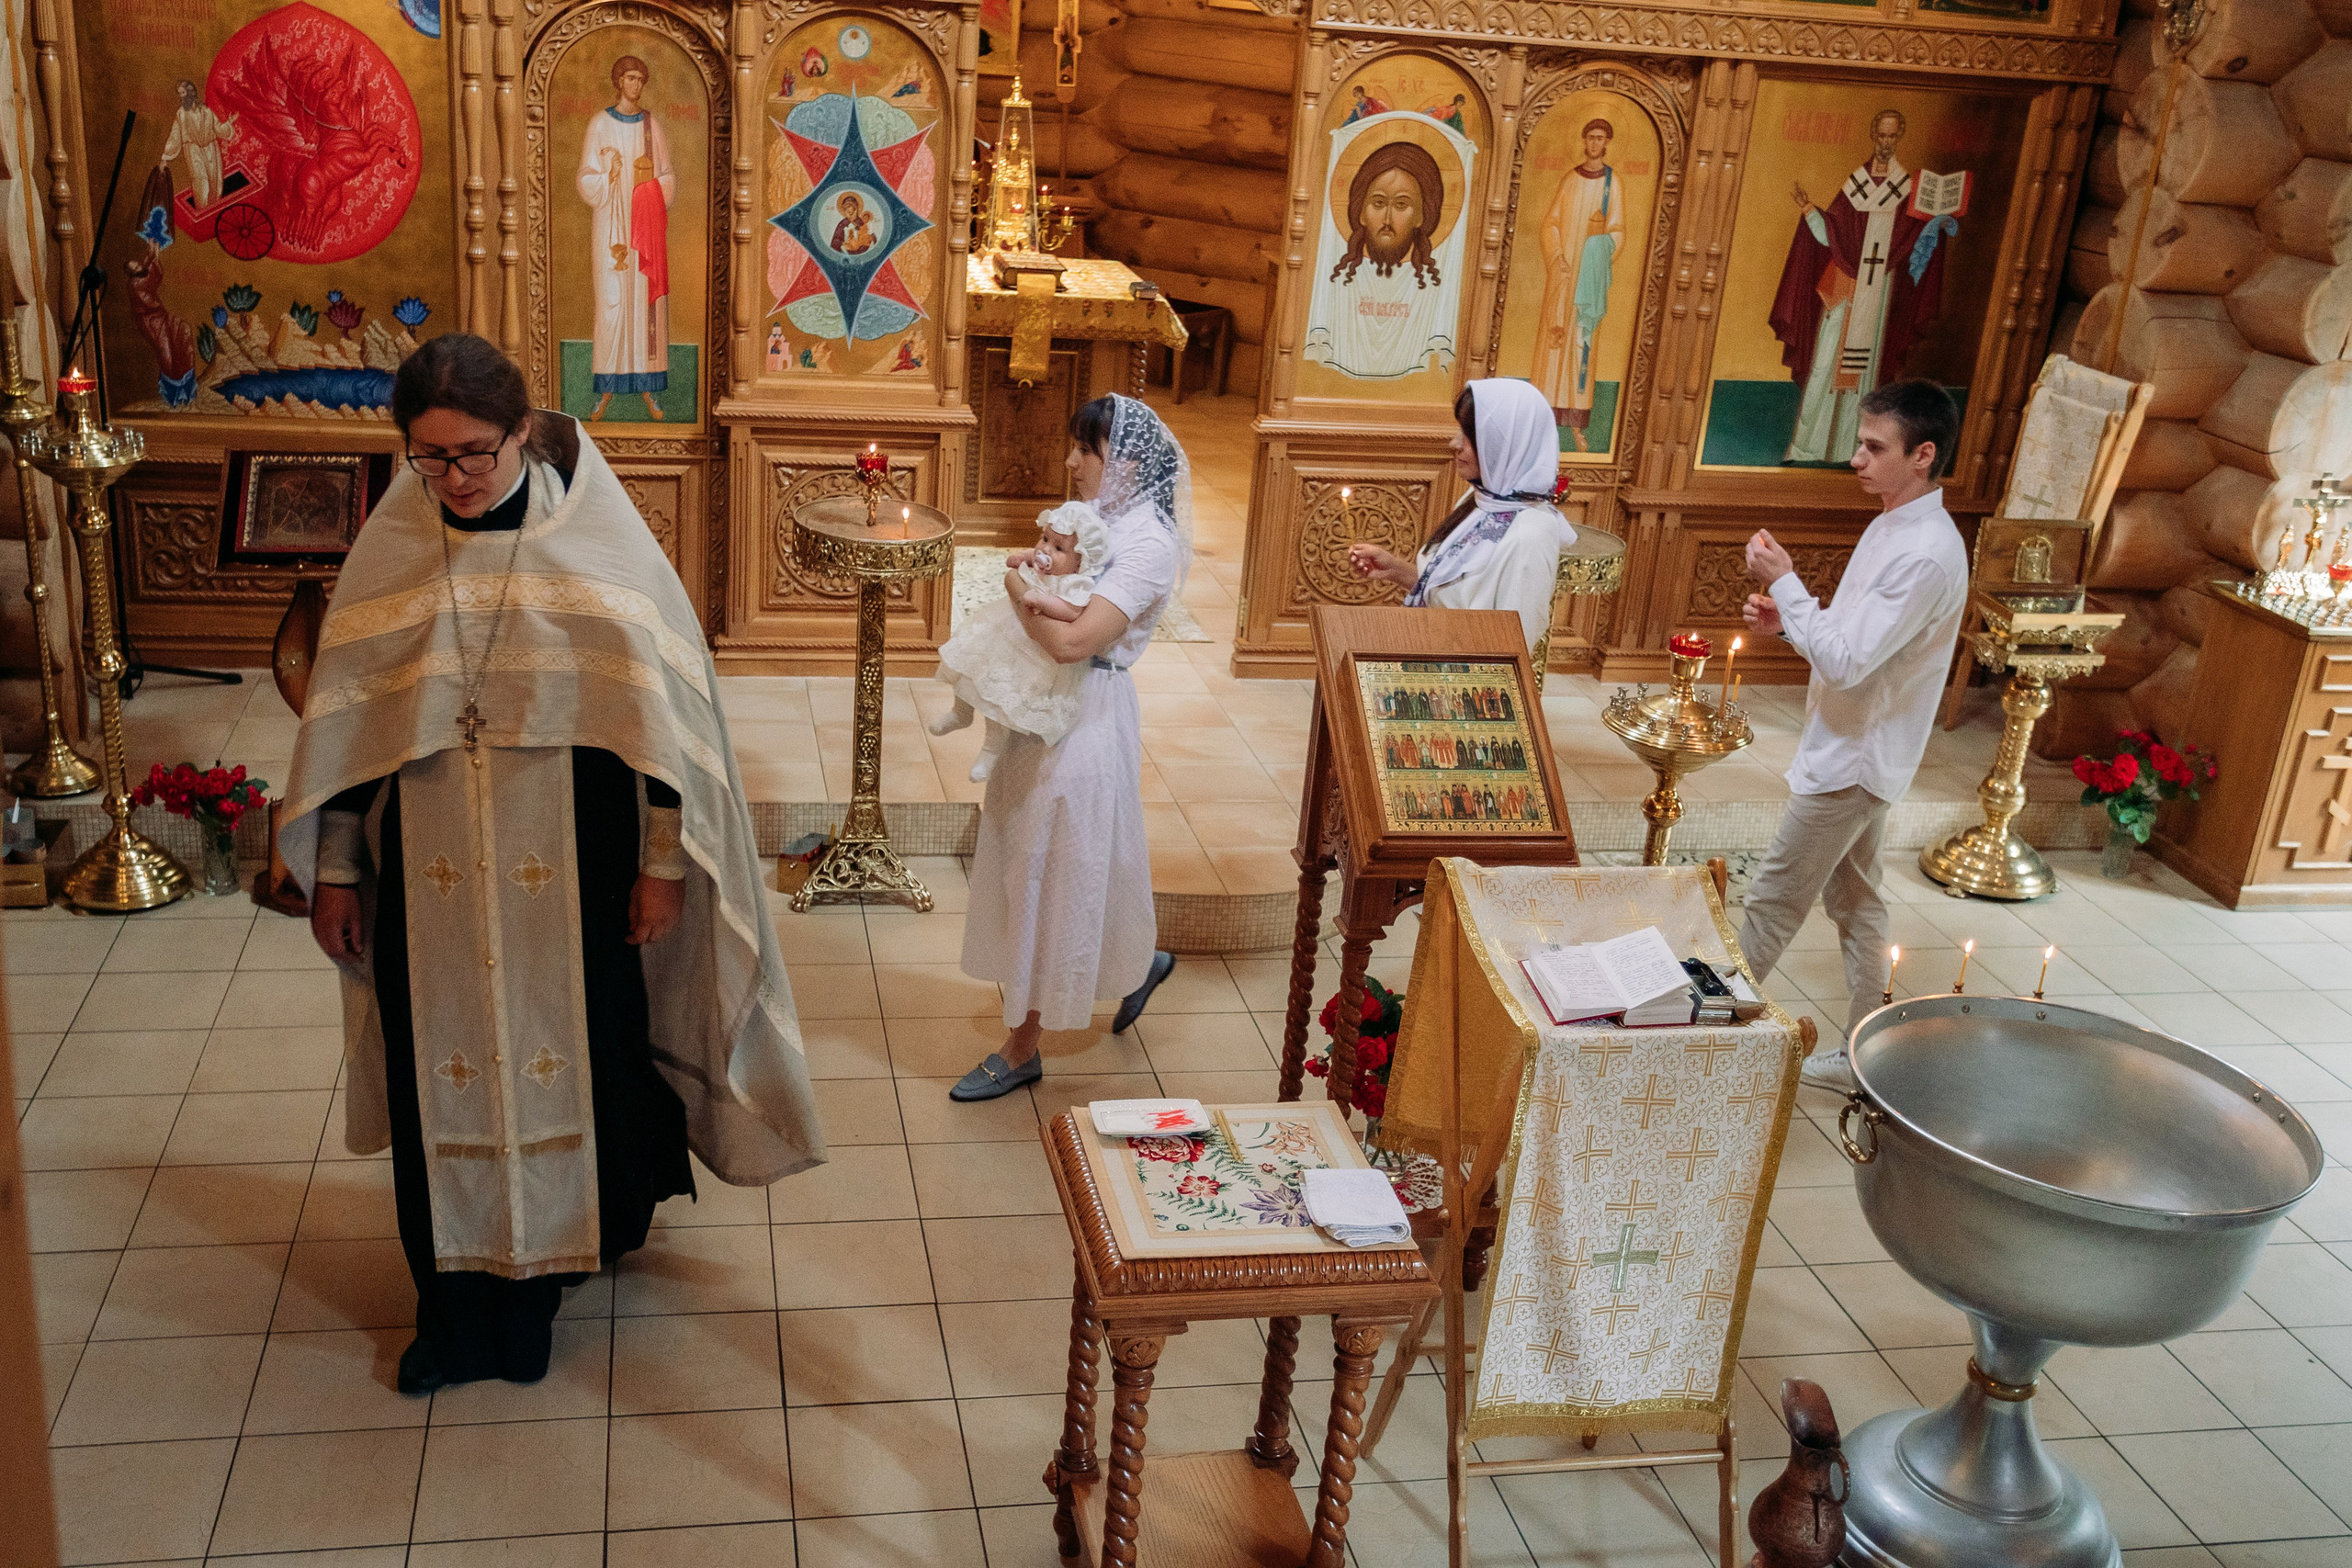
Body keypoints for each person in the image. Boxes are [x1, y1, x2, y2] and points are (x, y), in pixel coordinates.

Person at [283, 333, 824, 1393]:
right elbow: (349, 738)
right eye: (429, 458)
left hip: (573, 867)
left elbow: (665, 731)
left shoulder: (596, 541)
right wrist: (339, 873)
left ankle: (547, 1281)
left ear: (522, 431)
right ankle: (456, 1313)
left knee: (579, 1054)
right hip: (427, 882)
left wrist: (663, 866)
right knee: (440, 1080)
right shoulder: (394, 546)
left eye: (475, 452)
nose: (456, 478)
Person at [949, 394, 1187, 1102]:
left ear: (1130, 461)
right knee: (1059, 854)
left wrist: (1017, 583)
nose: (1070, 461)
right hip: (1048, 702)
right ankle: (1135, 960)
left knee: (1050, 868)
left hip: (1085, 711)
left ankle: (1022, 1047)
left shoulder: (1148, 542)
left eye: (1087, 449)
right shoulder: (1104, 519)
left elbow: (1072, 639)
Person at [1736, 378, 1969, 1089]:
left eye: (1874, 447)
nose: (1856, 459)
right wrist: (1792, 622)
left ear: (1922, 455)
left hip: (1855, 761)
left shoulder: (1926, 551)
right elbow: (1855, 636)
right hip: (1854, 746)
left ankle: (1701, 1044)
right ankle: (1872, 1055)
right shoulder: (1894, 522)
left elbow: (1846, 655)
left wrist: (1786, 584)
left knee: (1771, 902)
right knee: (1859, 900)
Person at [1770, 109, 1960, 466]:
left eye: (1892, 137)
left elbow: (1911, 244)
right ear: (1874, 136)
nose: (1886, 143)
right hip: (1844, 290)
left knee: (1866, 372)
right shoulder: (1855, 184)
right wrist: (1811, 210)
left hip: (1879, 293)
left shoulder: (1905, 190)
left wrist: (1936, 223)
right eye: (1881, 136)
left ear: (1898, 138)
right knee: (1825, 362)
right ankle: (1808, 447)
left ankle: (1854, 451)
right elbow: (1834, 235)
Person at [1345, 377, 1576, 652]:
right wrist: (1395, 569)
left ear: (1505, 445)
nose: (1454, 444)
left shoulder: (1531, 534)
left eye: (1468, 435)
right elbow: (1452, 598)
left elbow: (1514, 643)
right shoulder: (1480, 499)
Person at [929, 502, 1111, 782]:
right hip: (1004, 632)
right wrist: (1022, 558)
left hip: (1032, 653)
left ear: (1080, 562)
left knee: (1000, 700)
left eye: (1059, 548)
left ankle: (990, 750)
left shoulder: (1075, 585)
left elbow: (1072, 611)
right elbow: (1014, 564)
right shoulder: (1040, 562)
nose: (1046, 550)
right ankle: (960, 712)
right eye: (1046, 539)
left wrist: (1043, 602)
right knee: (971, 668)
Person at [576, 54, 675, 422]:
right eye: (629, 78)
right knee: (612, 302)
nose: (635, 85)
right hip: (611, 227)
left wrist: (648, 190)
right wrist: (610, 175)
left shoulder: (653, 127)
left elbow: (668, 178)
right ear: (619, 81)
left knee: (644, 305)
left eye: (640, 79)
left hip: (644, 228)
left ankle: (649, 389)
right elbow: (585, 180)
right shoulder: (599, 124)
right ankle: (606, 390)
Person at [1530, 118, 1628, 448]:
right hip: (1564, 274)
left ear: (1607, 143)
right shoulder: (1570, 179)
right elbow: (1551, 223)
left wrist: (1599, 248)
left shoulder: (1612, 185)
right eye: (1590, 137)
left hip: (1588, 280)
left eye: (1600, 138)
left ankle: (1575, 427)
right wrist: (1558, 256)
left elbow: (1618, 231)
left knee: (1579, 346)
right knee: (1554, 343)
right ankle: (1541, 419)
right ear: (1584, 141)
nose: (1595, 143)